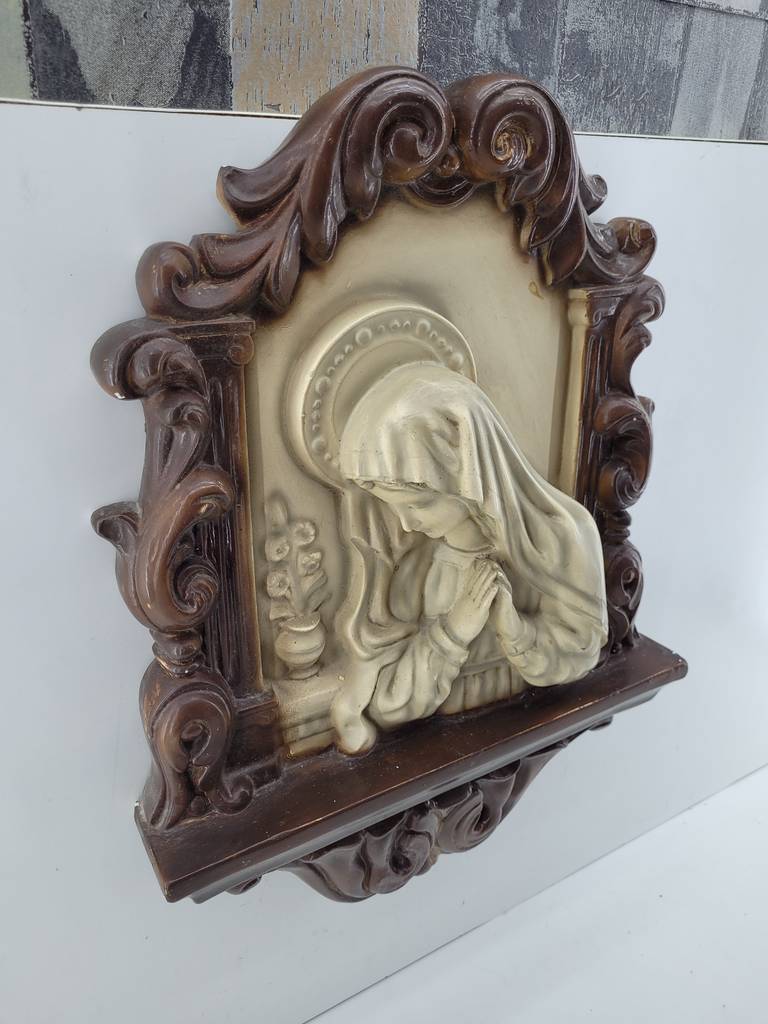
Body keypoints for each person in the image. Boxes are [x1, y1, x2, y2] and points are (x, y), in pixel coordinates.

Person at [330, 361, 608, 754]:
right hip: (443, 754)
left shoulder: (563, 538)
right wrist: (454, 630)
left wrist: (515, 629)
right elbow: (390, 703)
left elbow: (581, 650)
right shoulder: (418, 568)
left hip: (528, 729)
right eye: (394, 508)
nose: (406, 524)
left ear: (465, 477)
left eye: (418, 505)